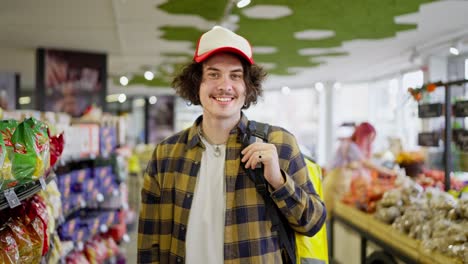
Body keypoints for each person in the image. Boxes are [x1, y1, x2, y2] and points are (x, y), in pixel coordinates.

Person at [138, 26, 326, 263]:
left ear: (248, 86)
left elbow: (313, 222)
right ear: (197, 83)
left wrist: (278, 180)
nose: (225, 86)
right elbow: (149, 243)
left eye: (235, 76)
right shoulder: (166, 155)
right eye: (213, 74)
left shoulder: (279, 144)